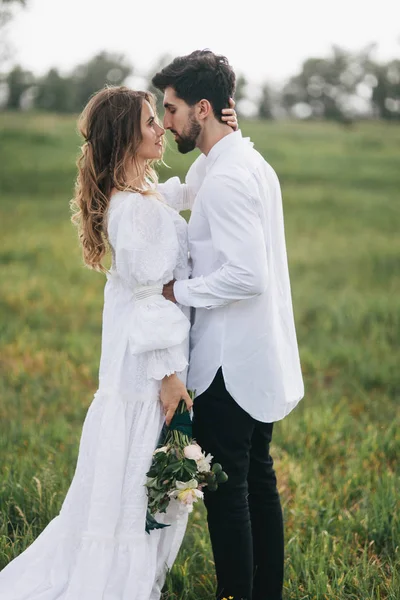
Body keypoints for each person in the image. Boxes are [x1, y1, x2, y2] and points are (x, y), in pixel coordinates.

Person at [0, 86, 237, 600]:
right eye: (151, 121)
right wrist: (171, 376)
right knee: (138, 481)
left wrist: (226, 139)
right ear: (126, 136)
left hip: (136, 363)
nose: (161, 129)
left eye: (160, 118)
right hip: (147, 371)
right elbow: (154, 301)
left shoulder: (139, 196)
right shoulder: (138, 210)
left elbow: (190, 192)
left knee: (134, 479)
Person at [152, 50, 305, 600]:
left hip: (228, 367)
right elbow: (191, 190)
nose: (165, 122)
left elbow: (250, 276)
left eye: (170, 110)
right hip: (252, 358)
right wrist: (132, 192)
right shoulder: (239, 163)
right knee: (257, 483)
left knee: (229, 494)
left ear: (203, 108)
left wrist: (178, 291)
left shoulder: (230, 177)